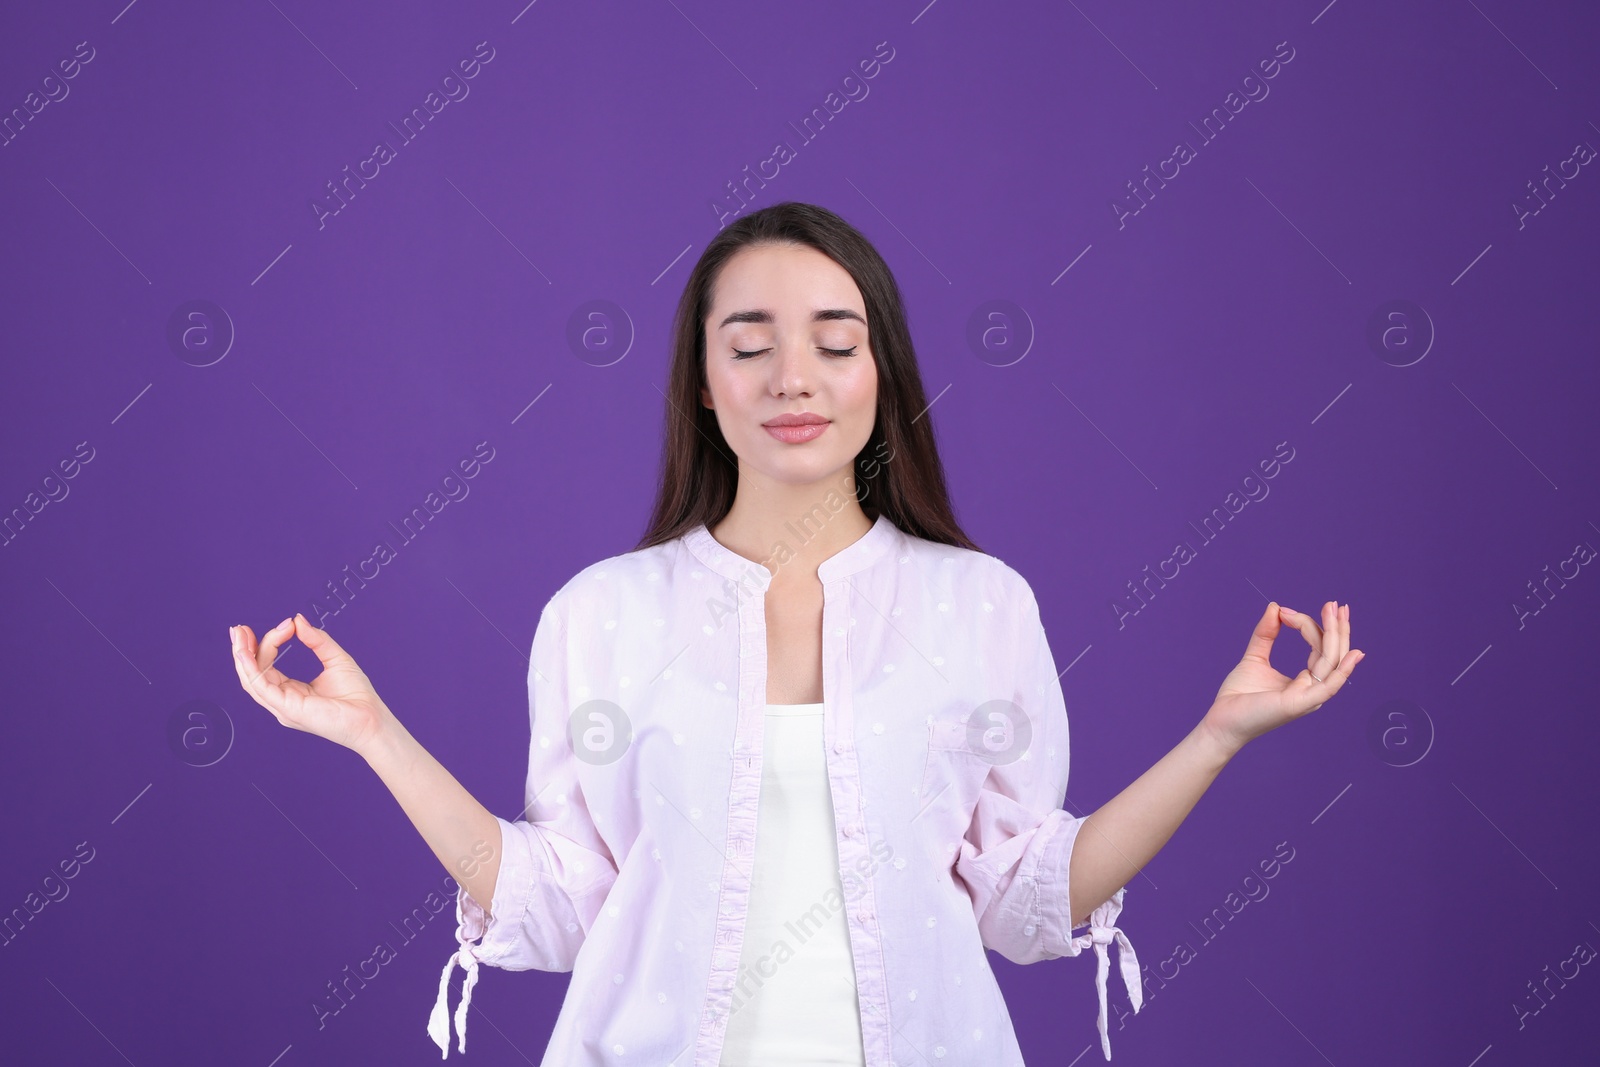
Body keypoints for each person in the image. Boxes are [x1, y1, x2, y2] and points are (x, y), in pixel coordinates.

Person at [228, 202, 1363, 1065]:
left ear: (881, 373)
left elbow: (1027, 900)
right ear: (704, 384)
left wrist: (1218, 734)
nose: (793, 377)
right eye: (749, 342)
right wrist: (374, 732)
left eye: (834, 339)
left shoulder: (980, 604)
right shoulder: (601, 613)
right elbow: (556, 906)